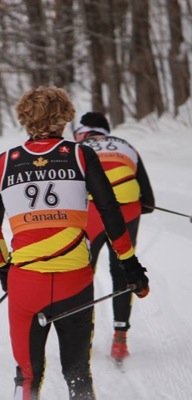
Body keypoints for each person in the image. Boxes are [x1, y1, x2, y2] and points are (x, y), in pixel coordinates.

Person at [0, 86, 150, 399]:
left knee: (27, 376)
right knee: (77, 373)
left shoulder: (3, 163)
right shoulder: (80, 155)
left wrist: (4, 268)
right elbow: (111, 213)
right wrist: (129, 264)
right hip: (75, 283)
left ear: (25, 119)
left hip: (26, 284)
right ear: (64, 118)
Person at [73, 112, 155, 362]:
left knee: (83, 273)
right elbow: (149, 203)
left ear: (85, 132)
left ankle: (82, 341)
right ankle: (120, 340)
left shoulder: (78, 148)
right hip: (128, 208)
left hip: (92, 211)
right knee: (121, 270)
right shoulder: (127, 146)